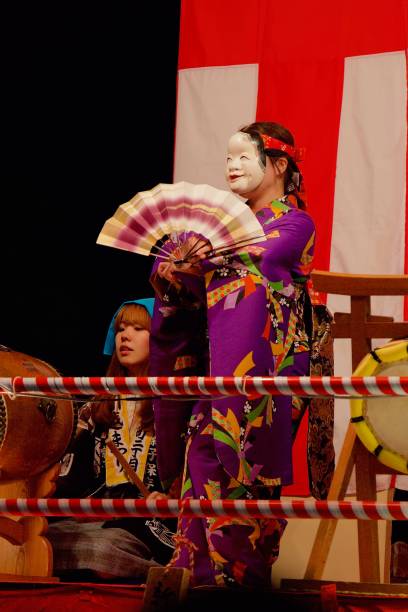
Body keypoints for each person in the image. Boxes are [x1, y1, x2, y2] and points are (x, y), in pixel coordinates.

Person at [149, 121, 334, 588]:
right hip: (217, 367)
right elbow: (187, 279)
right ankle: (196, 577)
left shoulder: (295, 222)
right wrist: (175, 270)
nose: (231, 165)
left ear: (277, 165)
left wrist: (205, 258)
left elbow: (261, 262)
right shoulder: (218, 224)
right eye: (227, 157)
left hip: (267, 370)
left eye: (243, 157)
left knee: (247, 475)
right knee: (202, 461)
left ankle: (239, 584)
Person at [47, 298, 176, 582]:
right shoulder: (97, 406)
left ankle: (162, 576)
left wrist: (171, 496)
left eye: (138, 329)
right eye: (120, 329)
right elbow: (71, 470)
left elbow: (191, 469)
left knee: (103, 550)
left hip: (151, 521)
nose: (125, 336)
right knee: (43, 541)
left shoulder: (175, 404)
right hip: (99, 516)